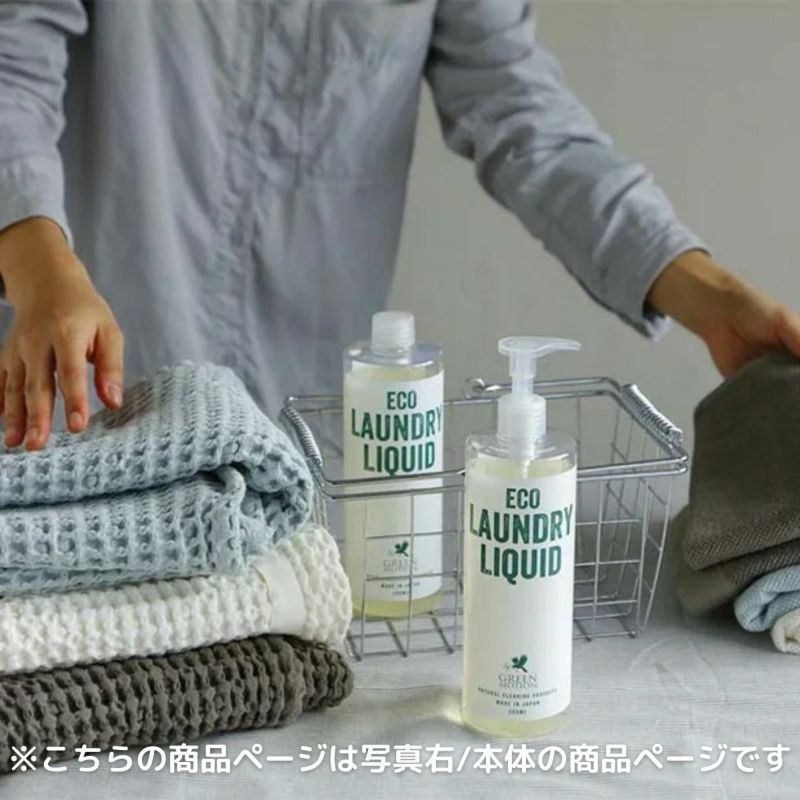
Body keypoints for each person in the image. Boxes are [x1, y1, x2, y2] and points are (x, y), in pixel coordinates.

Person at [0, 0, 798, 452]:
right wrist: (42, 268)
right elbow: (12, 69)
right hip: (79, 392)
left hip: (305, 424)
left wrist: (708, 295)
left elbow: (525, 117)